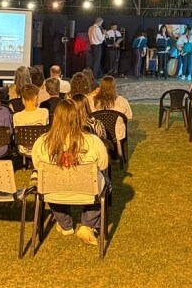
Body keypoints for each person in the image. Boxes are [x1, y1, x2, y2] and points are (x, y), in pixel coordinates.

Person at [31, 99, 109, 246]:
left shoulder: (41, 142)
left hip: (53, 191)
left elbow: (36, 165)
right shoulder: (93, 141)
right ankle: (88, 224)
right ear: (78, 117)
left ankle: (65, 224)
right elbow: (103, 164)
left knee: (50, 179)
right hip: (87, 191)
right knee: (105, 180)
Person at [88, 76, 132, 142]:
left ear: (100, 87)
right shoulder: (122, 101)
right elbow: (129, 116)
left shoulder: (91, 100)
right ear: (114, 87)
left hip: (97, 133)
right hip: (117, 135)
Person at [13, 84, 50, 155]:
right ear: (36, 98)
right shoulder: (44, 112)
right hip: (40, 149)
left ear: (23, 99)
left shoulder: (16, 116)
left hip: (24, 151)